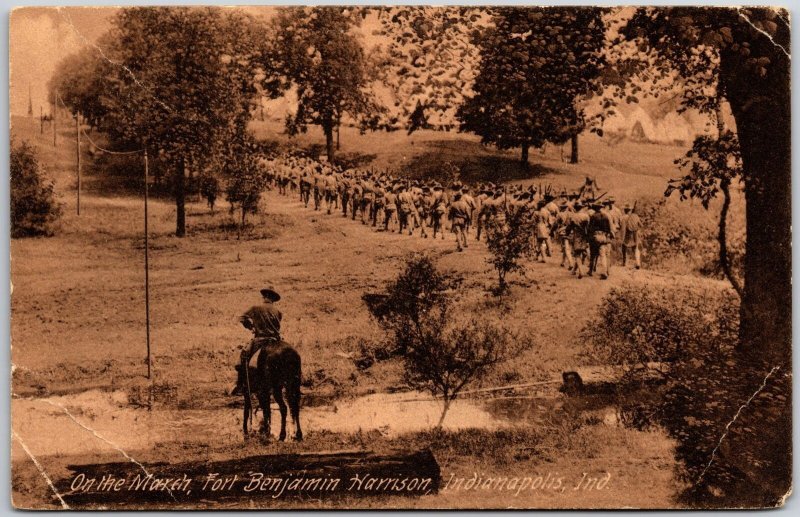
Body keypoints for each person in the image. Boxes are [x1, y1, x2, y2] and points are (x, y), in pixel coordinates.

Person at [240, 287, 283, 366]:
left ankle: (246, 375)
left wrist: (251, 327)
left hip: (260, 340)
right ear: (273, 299)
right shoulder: (278, 311)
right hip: (276, 340)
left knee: (244, 356)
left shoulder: (255, 308)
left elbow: (242, 318)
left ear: (265, 296)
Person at [587, 201, 614, 279]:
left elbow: (590, 229)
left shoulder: (593, 216)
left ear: (595, 208)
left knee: (593, 254)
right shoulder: (605, 216)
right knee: (603, 255)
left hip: (595, 236)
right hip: (604, 236)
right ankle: (604, 272)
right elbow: (609, 229)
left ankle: (591, 270)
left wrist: (589, 237)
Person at [620, 203, 642, 269]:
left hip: (627, 234)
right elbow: (641, 225)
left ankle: (624, 262)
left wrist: (622, 238)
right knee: (636, 248)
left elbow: (623, 229)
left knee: (624, 247)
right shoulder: (636, 216)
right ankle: (638, 263)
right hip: (635, 234)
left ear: (624, 210)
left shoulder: (623, 217)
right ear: (630, 210)